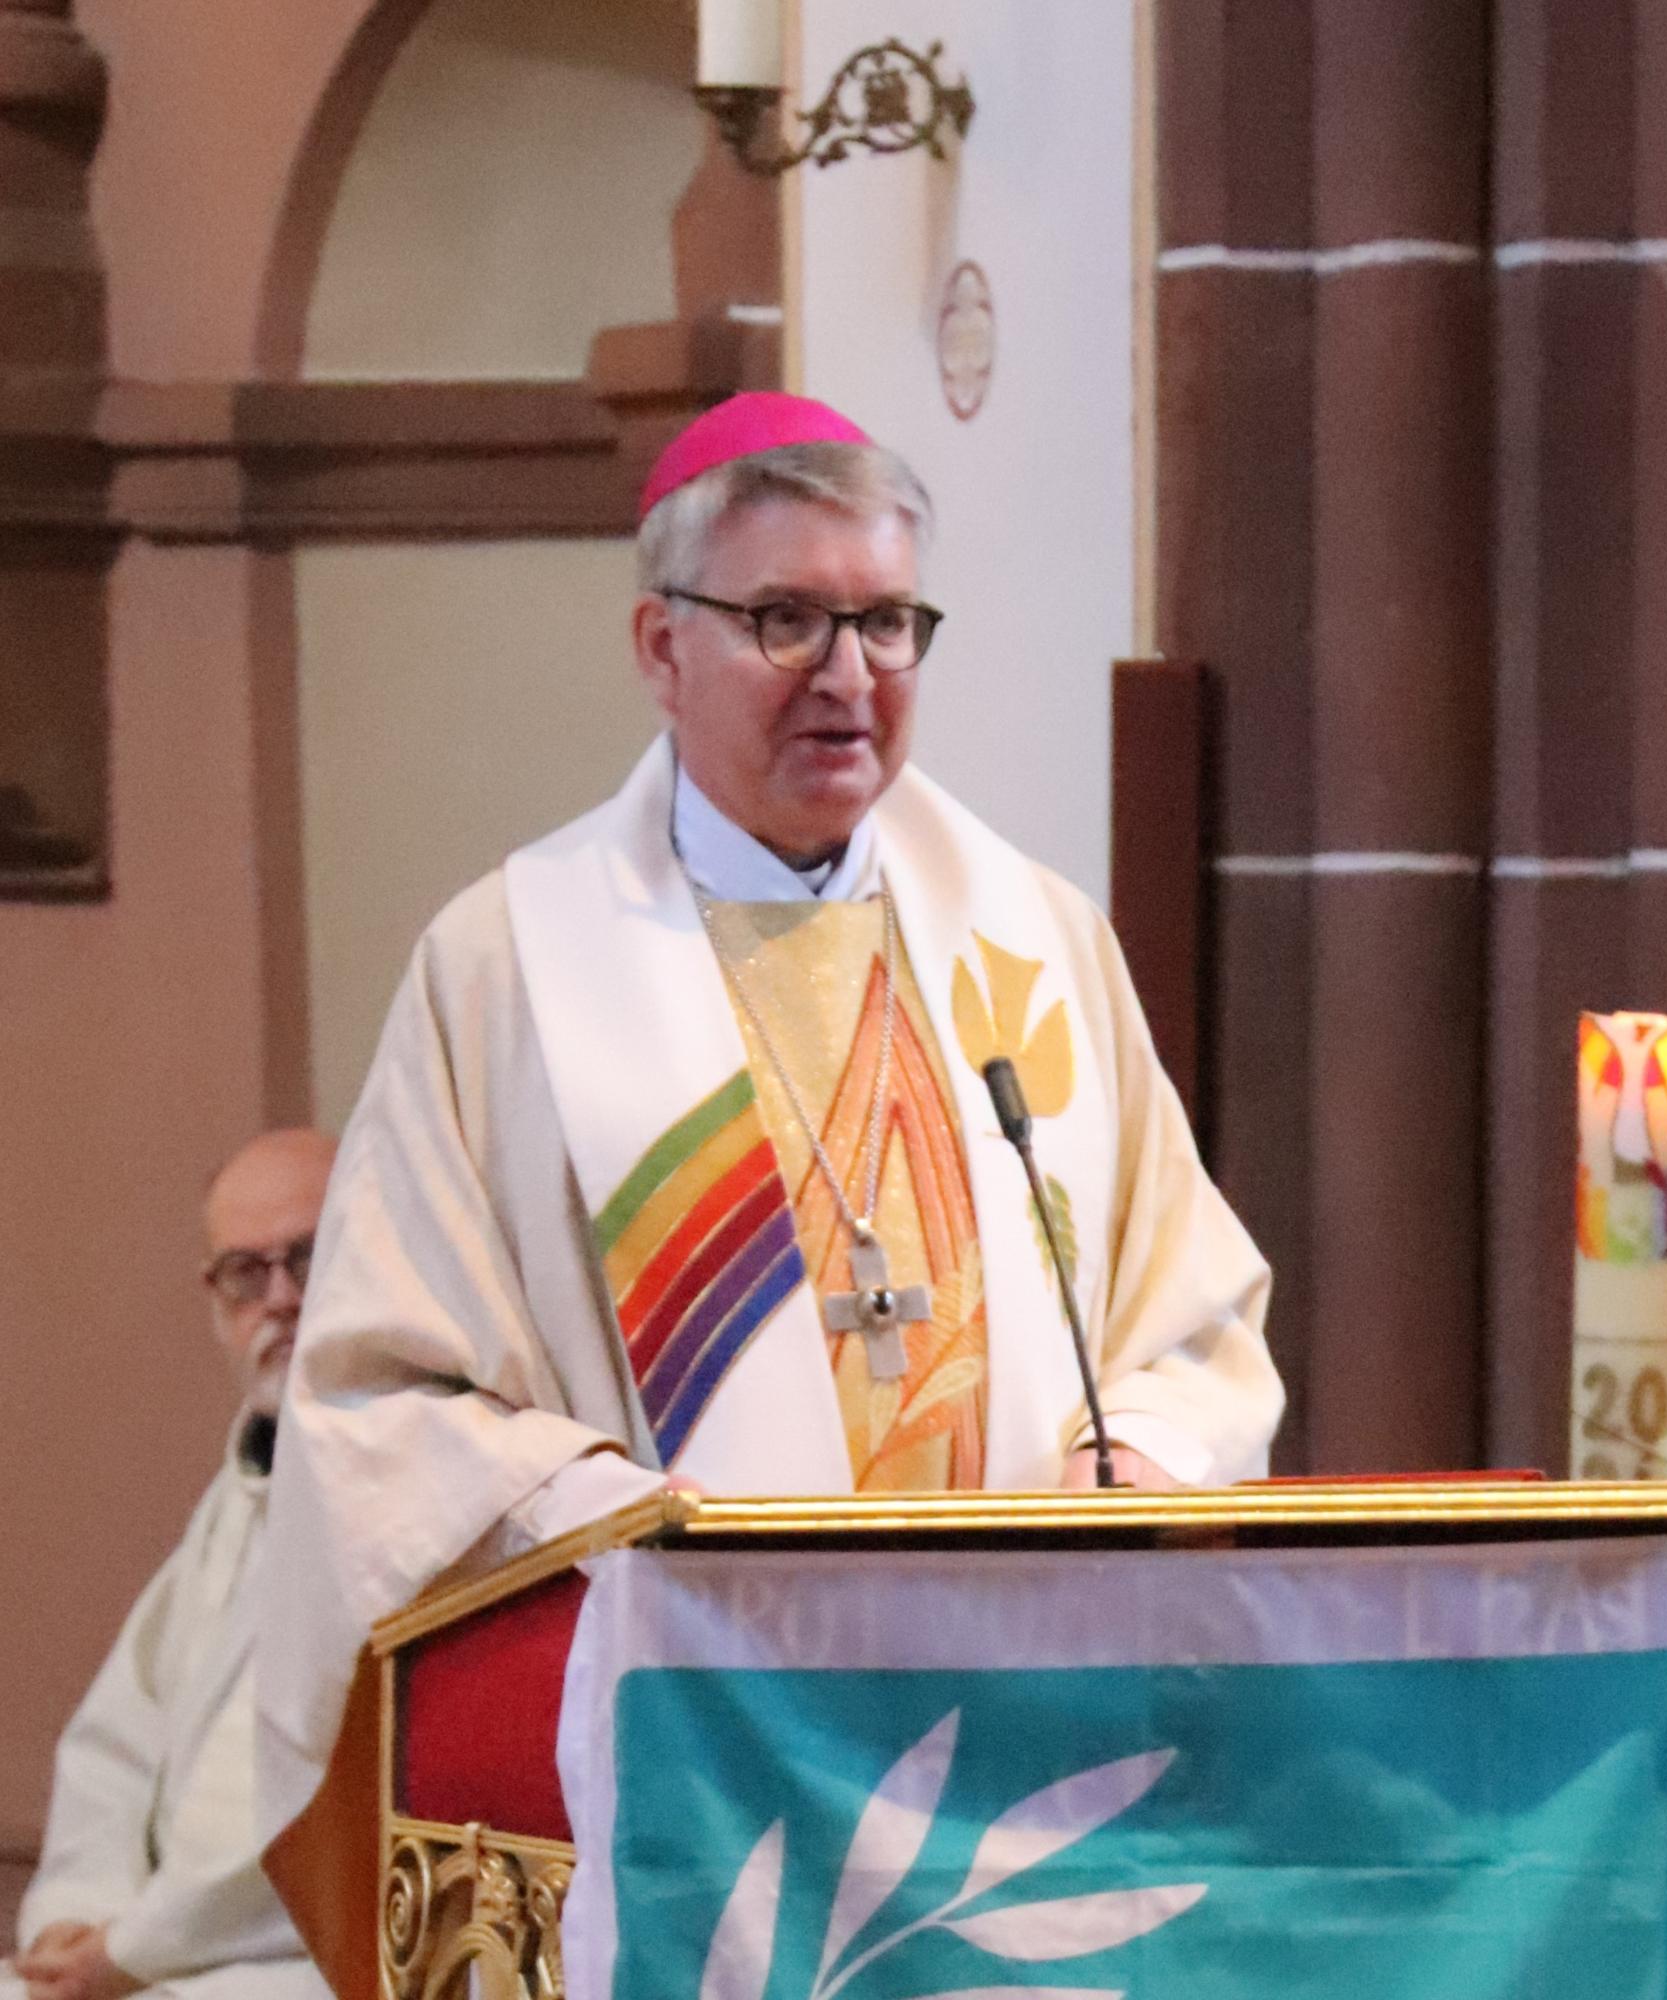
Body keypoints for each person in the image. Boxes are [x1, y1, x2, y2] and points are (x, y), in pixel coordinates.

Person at [256, 392, 1283, 1929]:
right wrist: (623, 1527)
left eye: (886, 622)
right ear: (660, 650)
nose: (851, 679)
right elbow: (380, 1404)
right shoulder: (510, 972)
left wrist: (1131, 1462)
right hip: (689, 1772)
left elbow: (1189, 1319)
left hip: (1031, 1750)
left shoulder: (1039, 940)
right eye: (787, 620)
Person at [6, 1131, 337, 2000]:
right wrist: (79, 1915)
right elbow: (116, 1747)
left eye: (312, 1256)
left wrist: (131, 1948)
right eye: (246, 1275)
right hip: (158, 1957)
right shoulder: (239, 1499)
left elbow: (328, 1817)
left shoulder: (414, 1491)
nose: (283, 1300)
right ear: (213, 1298)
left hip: (304, 1966)